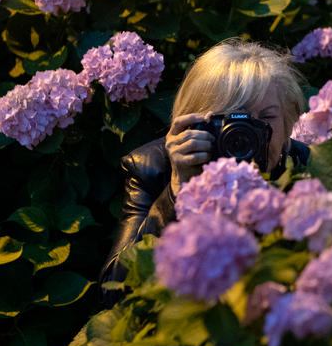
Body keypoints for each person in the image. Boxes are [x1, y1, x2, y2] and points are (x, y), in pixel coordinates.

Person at [100, 39, 309, 301]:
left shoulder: (304, 167)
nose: (248, 135)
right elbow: (114, 292)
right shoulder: (153, 167)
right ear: (193, 121)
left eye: (267, 118)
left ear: (290, 122)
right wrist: (177, 191)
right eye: (231, 119)